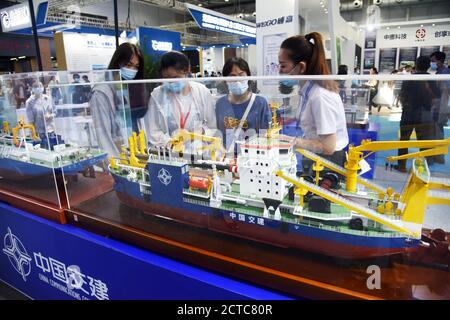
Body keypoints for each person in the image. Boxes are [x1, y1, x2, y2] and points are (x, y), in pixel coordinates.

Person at [278, 32, 349, 173]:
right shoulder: (307, 91)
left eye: (283, 66)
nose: (279, 71)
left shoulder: (319, 97)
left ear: (301, 67)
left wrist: (295, 142)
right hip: (316, 157)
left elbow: (328, 147)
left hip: (328, 163)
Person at [142, 51, 217, 150]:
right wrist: (171, 143)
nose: (170, 82)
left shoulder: (202, 92)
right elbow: (152, 130)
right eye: (166, 78)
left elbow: (212, 126)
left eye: (174, 77)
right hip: (169, 152)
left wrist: (201, 132)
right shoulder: (157, 95)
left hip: (199, 150)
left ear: (186, 71)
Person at [89, 42, 145, 157]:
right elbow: (102, 133)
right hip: (117, 153)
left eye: (136, 66)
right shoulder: (101, 92)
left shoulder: (128, 86)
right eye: (128, 65)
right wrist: (115, 164)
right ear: (118, 63)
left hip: (133, 151)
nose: (132, 70)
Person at [215, 58, 271, 155]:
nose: (237, 80)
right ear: (225, 80)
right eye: (232, 76)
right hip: (227, 157)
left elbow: (265, 135)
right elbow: (217, 133)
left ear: (248, 77)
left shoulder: (260, 103)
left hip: (253, 158)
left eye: (241, 75)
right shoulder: (220, 104)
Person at [394, 56, 441, 172]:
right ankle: (421, 168)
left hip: (408, 113)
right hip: (424, 114)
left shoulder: (409, 78)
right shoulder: (431, 79)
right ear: (429, 65)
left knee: (404, 140)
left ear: (417, 64)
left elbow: (402, 95)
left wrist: (406, 105)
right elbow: (437, 96)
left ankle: (401, 165)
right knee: (423, 142)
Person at [430, 51, 450, 164]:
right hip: (437, 106)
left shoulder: (446, 73)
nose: (432, 63)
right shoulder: (438, 72)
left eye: (433, 61)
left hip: (442, 107)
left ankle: (439, 156)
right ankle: (435, 154)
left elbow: (448, 91)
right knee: (435, 130)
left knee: (439, 131)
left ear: (440, 61)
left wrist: (448, 109)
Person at [25, 80, 55, 146]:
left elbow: (55, 112)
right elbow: (30, 120)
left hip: (50, 130)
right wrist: (33, 134)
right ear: (32, 89)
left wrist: (50, 115)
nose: (38, 88)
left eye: (40, 86)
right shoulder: (29, 102)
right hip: (39, 132)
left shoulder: (48, 98)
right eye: (36, 87)